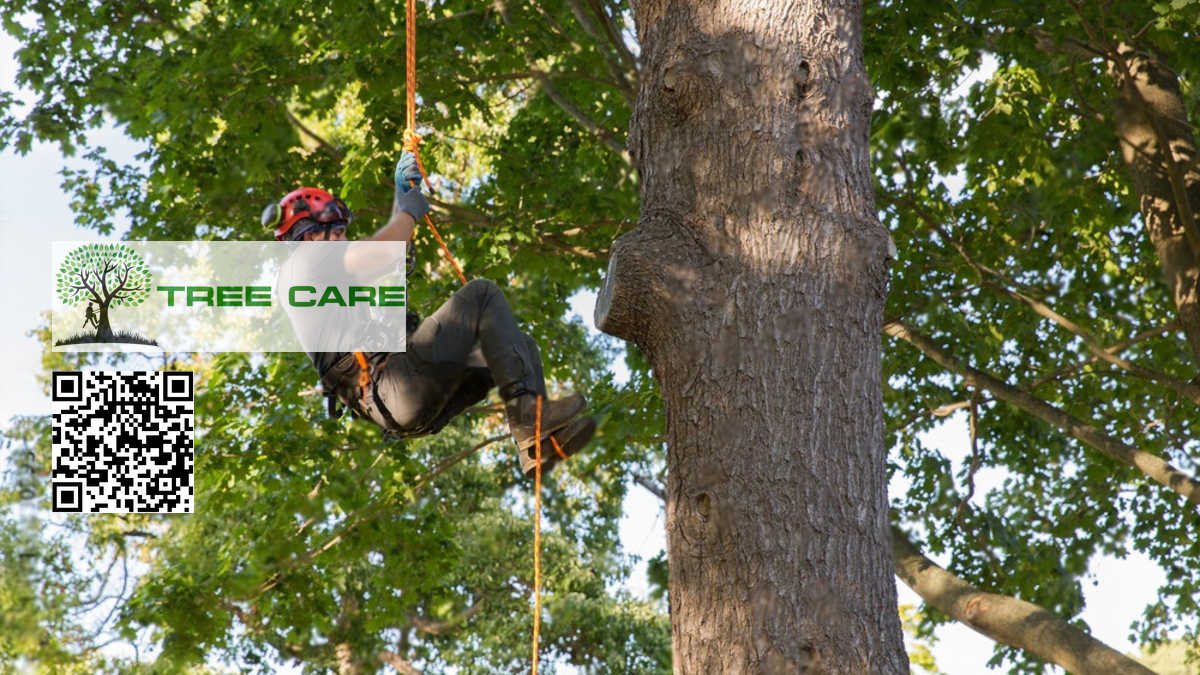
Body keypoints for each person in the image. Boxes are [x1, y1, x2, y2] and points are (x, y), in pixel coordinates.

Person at [265, 153, 595, 476]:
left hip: (404, 406)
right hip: (392, 388)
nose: (345, 239)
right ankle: (527, 418)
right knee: (482, 294)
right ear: (309, 235)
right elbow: (385, 249)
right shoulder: (305, 264)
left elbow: (389, 257)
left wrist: (402, 196)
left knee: (515, 347)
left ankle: (536, 445)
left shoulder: (321, 275)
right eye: (337, 233)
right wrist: (406, 210)